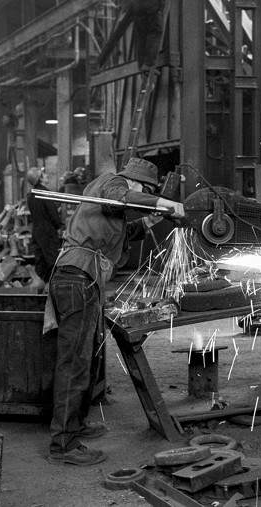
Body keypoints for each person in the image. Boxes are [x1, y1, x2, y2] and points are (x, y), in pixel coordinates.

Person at [47, 157, 185, 466]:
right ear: (137, 184)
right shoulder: (112, 183)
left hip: (85, 280)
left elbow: (125, 229)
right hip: (77, 280)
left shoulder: (110, 203)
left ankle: (76, 423)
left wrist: (155, 218)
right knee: (74, 362)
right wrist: (163, 202)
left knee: (88, 356)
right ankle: (63, 444)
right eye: (145, 192)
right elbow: (121, 198)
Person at [126, 0, 177, 70]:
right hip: (153, 6)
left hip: (138, 7)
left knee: (142, 35)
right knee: (155, 31)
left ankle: (142, 65)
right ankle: (148, 63)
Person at [26, 167, 63, 283]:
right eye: (44, 174)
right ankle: (53, 288)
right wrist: (59, 225)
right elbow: (52, 214)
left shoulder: (31, 195)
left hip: (36, 232)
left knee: (41, 261)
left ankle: (40, 288)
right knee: (53, 261)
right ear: (40, 178)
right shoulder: (44, 193)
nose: (47, 175)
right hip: (47, 232)